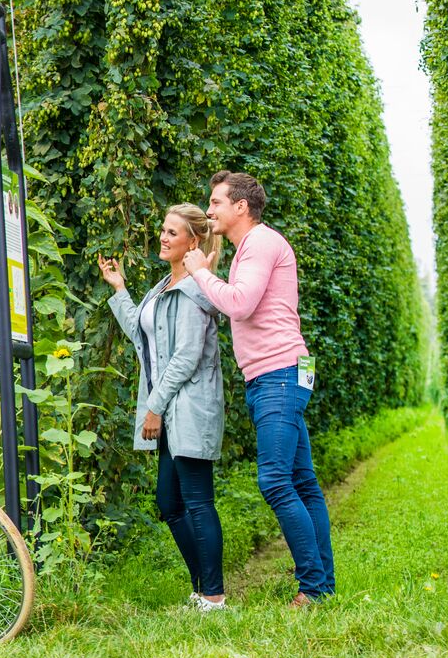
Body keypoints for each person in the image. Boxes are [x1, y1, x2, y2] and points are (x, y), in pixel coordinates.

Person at [183, 171, 332, 607]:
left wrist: (199, 272)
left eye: (215, 202)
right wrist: (207, 276)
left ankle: (312, 588)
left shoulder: (260, 243)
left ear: (240, 206)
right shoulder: (251, 248)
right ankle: (321, 586)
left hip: (278, 373)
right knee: (302, 481)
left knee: (275, 481)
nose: (209, 210)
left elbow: (240, 303)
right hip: (278, 374)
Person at [99, 204, 229, 611]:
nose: (163, 237)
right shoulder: (163, 287)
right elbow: (143, 334)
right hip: (171, 408)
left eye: (173, 232)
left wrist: (153, 408)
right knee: (170, 502)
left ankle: (214, 595)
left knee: (197, 500)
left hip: (188, 407)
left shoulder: (193, 291)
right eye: (163, 230)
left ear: (193, 242)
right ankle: (203, 587)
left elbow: (186, 357)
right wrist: (120, 289)